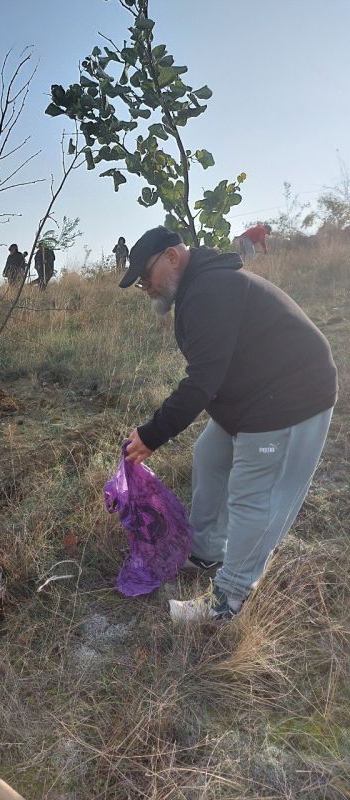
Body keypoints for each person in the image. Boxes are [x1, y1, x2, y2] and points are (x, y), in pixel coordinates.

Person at [119, 226, 337, 621]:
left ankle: (229, 599)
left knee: (252, 495)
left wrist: (153, 433)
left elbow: (203, 379)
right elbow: (215, 369)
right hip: (255, 392)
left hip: (291, 397)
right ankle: (205, 552)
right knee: (210, 454)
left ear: (171, 257)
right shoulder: (200, 287)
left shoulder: (209, 289)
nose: (145, 287)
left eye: (145, 276)